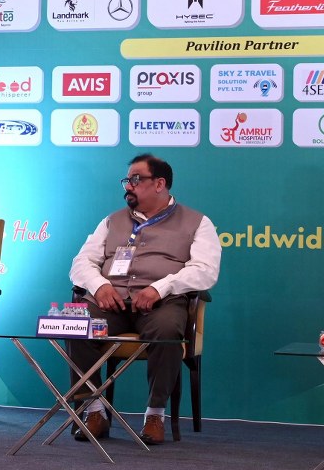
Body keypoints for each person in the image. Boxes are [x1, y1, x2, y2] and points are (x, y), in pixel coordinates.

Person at [68, 154, 220, 446]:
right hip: (111, 303)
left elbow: (205, 271)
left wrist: (161, 288)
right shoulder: (111, 221)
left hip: (162, 303)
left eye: (136, 180)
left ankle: (155, 415)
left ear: (160, 184)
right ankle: (94, 410)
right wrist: (100, 286)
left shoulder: (198, 222)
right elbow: (81, 262)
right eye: (127, 180)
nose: (128, 186)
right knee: (78, 324)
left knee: (167, 329)